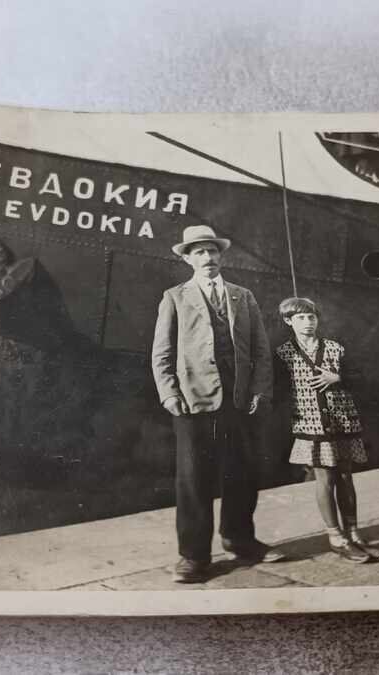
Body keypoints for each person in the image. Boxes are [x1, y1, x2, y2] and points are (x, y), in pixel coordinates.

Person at [151, 225, 285, 583]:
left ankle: (240, 541)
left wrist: (260, 391)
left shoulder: (244, 296)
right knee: (194, 479)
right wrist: (169, 394)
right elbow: (162, 353)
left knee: (242, 472)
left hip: (239, 399)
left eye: (212, 252)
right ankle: (194, 556)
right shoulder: (175, 297)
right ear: (187, 259)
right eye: (198, 253)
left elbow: (260, 350)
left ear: (221, 256)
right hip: (193, 400)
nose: (207, 258)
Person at [275, 297, 379, 563]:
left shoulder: (336, 349)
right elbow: (278, 390)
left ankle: (353, 532)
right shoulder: (283, 354)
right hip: (312, 424)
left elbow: (364, 376)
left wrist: (338, 377)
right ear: (289, 321)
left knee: (346, 477)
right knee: (325, 479)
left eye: (312, 317)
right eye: (300, 318)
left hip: (342, 421)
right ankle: (336, 537)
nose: (308, 322)